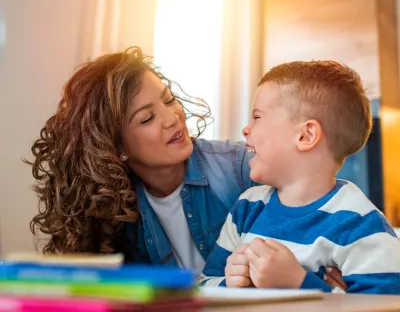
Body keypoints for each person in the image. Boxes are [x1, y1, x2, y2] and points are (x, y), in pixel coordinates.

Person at [27, 47, 344, 288]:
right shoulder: (116, 209)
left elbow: (327, 203)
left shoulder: (240, 167)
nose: (172, 118)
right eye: (147, 118)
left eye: (168, 100)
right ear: (117, 148)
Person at [199, 61, 400, 294]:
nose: (246, 129)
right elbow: (203, 285)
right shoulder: (247, 208)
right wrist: (231, 283)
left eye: (257, 116)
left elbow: (386, 305)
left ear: (305, 136)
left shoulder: (358, 223)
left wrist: (298, 282)